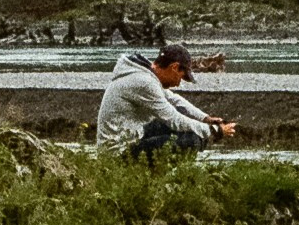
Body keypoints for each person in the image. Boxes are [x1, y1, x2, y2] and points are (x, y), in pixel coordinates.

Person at [95, 40, 236, 158]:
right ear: (174, 67)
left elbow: (174, 100)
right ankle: (154, 178)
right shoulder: (144, 82)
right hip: (116, 153)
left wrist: (206, 119)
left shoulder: (144, 74)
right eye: (181, 77)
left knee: (187, 120)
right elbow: (174, 119)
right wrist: (215, 131)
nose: (178, 83)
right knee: (191, 140)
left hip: (131, 136)